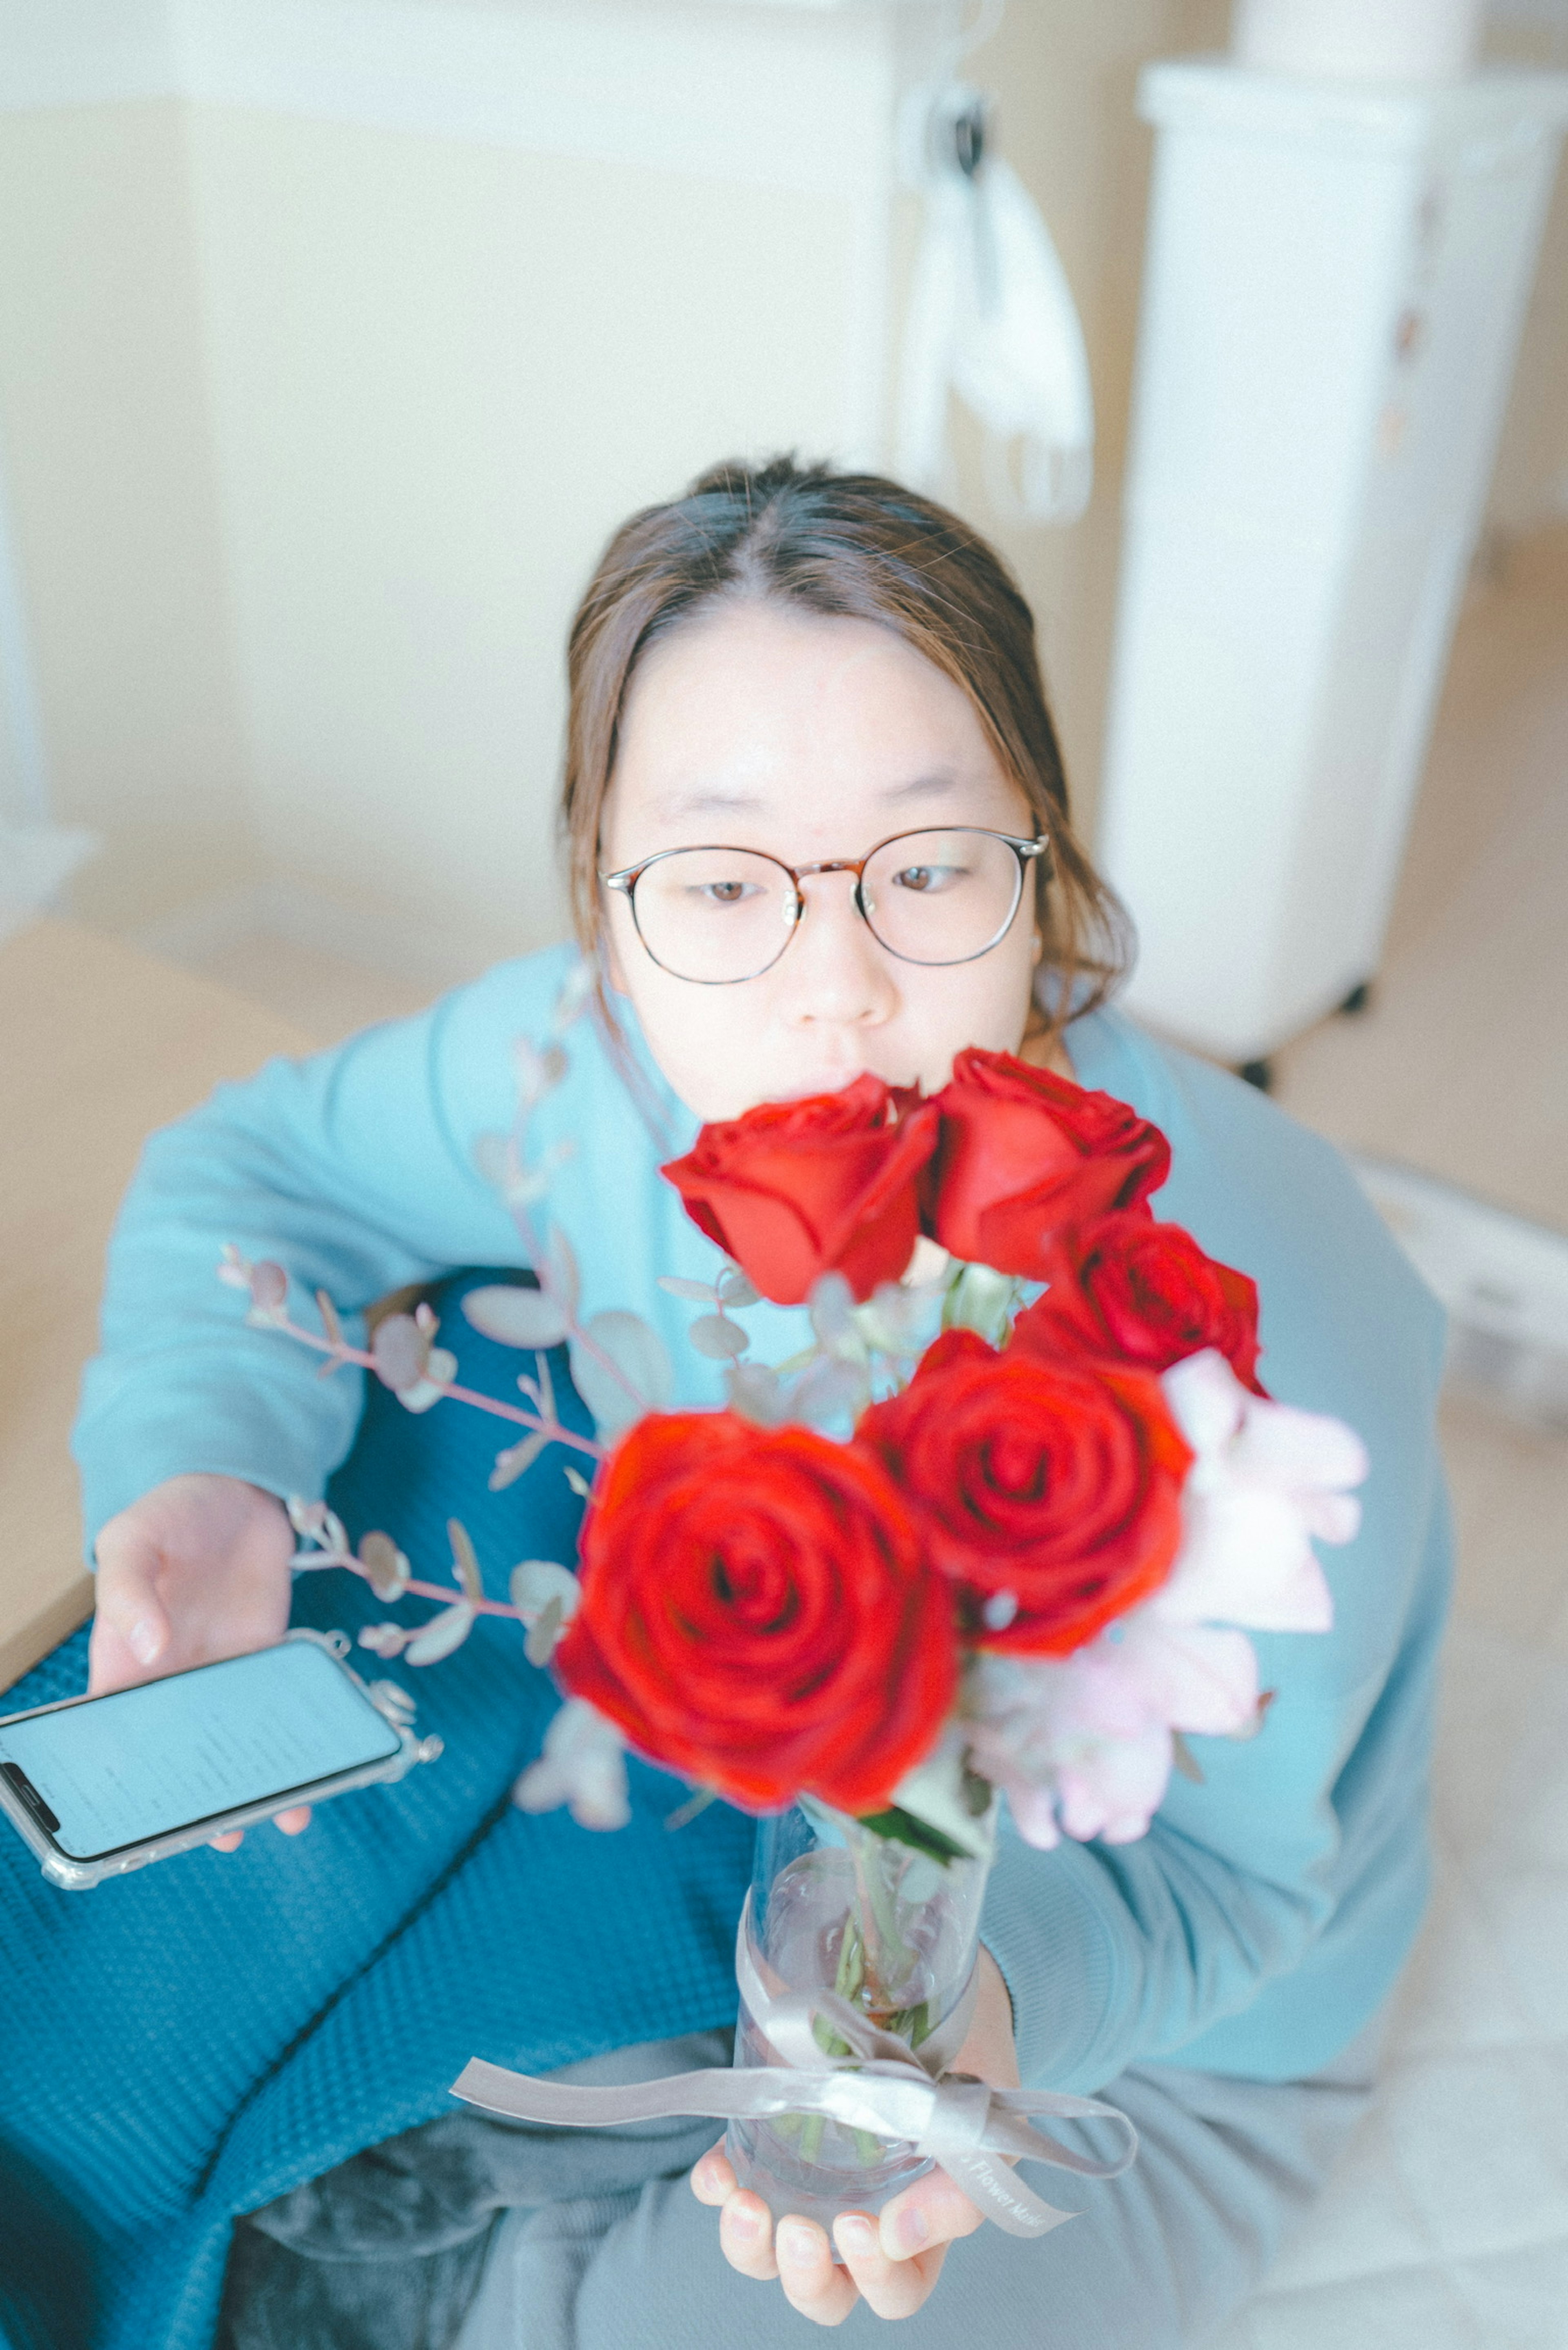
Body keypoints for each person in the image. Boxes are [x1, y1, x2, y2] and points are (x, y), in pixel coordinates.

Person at [16, 459, 1448, 2350]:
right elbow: (256, 1168)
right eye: (716, 881)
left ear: (1048, 870)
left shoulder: (1255, 1299)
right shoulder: (577, 1066)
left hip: (1137, 2022)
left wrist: (979, 2013)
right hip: (772, 1837)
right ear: (607, 905)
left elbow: (1236, 1877)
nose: (830, 988)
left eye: (927, 868)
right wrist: (210, 1463)